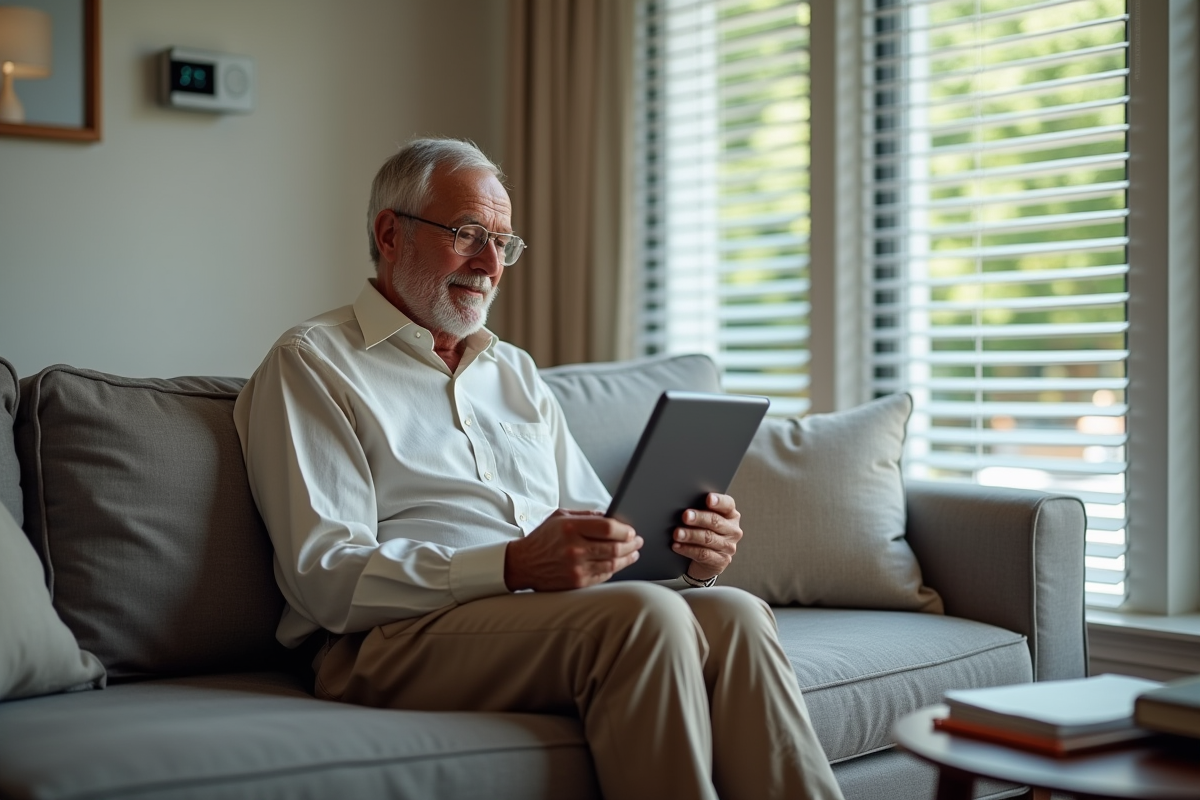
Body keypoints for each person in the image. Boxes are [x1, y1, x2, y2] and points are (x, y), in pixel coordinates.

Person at [234, 137, 844, 800]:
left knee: (737, 612)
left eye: (505, 243)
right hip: (383, 641)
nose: (491, 264)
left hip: (536, 619)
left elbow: (596, 529)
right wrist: (512, 565)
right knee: (643, 619)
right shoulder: (313, 362)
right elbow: (325, 577)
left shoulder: (513, 371)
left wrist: (686, 555)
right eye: (468, 234)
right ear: (390, 233)